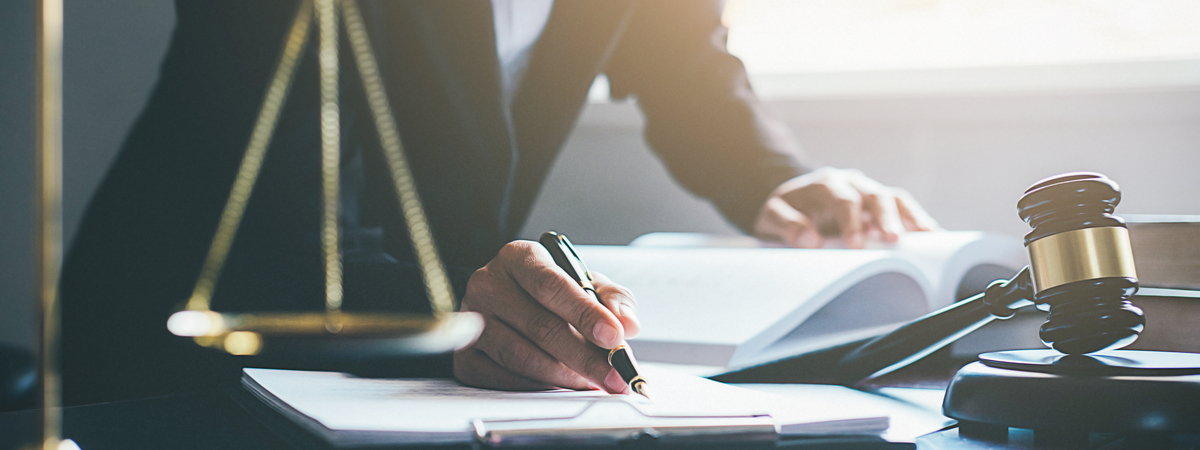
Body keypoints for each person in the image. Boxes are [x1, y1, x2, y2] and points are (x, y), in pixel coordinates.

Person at [60, 0, 937, 405]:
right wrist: (454, 297)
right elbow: (279, 220)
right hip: (185, 348)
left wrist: (771, 177)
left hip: (432, 366)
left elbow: (680, 55)